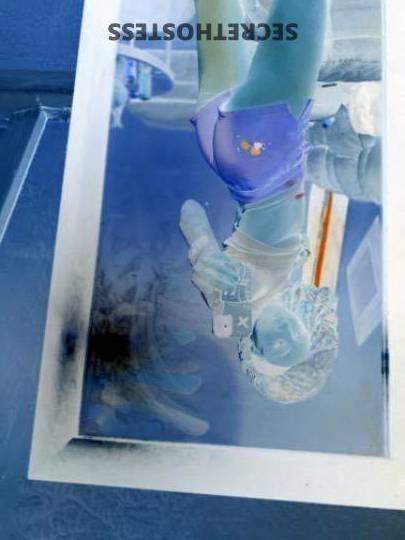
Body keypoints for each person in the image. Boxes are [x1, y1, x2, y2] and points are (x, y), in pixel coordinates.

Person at [180, 0, 340, 404]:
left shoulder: (239, 310)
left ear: (253, 349)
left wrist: (204, 258)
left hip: (263, 156)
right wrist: (203, 250)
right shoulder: (285, 286)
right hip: (225, 153)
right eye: (299, 337)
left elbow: (228, 300)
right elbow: (190, 210)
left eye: (280, 346)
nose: (288, 332)